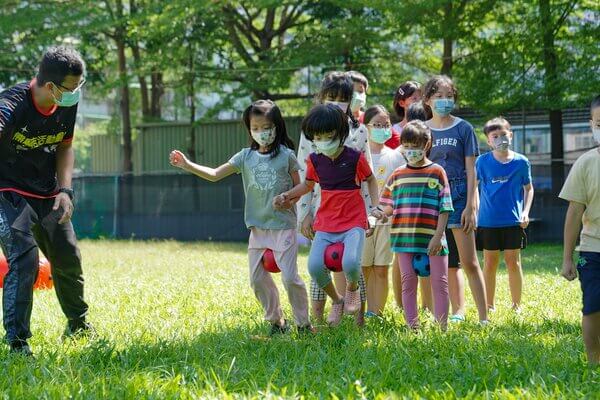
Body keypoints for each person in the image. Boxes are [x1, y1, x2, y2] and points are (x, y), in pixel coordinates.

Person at [170, 100, 312, 336]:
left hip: (282, 227)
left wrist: (287, 198)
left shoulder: (286, 156)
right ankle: (277, 322)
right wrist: (187, 165)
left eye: (265, 127)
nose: (261, 132)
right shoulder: (245, 157)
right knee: (256, 279)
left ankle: (304, 324)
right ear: (249, 129)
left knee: (289, 277)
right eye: (255, 128)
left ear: (276, 126)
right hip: (257, 229)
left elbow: (301, 188)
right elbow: (215, 174)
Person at [0, 47, 91, 356]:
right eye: (70, 88)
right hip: (8, 190)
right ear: (50, 85)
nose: (75, 94)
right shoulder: (10, 105)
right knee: (24, 259)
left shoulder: (65, 103)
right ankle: (17, 343)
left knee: (67, 257)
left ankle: (78, 324)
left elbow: (66, 146)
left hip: (48, 191)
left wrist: (66, 191)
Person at [275, 104, 383, 327]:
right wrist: (287, 195)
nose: (324, 140)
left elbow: (371, 180)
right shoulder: (315, 160)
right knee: (314, 267)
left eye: (329, 135)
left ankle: (351, 290)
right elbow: (307, 185)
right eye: (318, 136)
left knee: (351, 262)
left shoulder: (354, 158)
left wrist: (375, 206)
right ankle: (337, 300)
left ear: (342, 133)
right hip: (325, 223)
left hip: (354, 221)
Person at [296, 72, 370, 325]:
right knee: (319, 265)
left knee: (352, 263)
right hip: (321, 210)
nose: (337, 102)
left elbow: (367, 173)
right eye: (331, 97)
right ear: (322, 98)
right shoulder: (312, 130)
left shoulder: (359, 131)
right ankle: (318, 319)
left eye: (343, 98)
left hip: (352, 211)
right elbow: (302, 174)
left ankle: (359, 319)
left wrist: (370, 213)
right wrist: (305, 213)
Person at [423, 75, 489, 324]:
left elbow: (472, 170)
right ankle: (441, 314)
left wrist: (472, 205)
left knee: (470, 262)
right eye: (439, 96)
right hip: (430, 199)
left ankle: (483, 318)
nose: (444, 101)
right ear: (428, 100)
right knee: (436, 263)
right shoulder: (423, 130)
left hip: (460, 197)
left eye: (449, 96)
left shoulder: (464, 128)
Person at [380, 120, 452, 330]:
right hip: (404, 240)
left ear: (427, 144)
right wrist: (377, 216)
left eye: (416, 146)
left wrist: (438, 236)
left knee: (440, 283)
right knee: (407, 283)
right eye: (407, 147)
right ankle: (413, 326)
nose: (411, 151)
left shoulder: (437, 172)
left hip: (433, 239)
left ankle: (442, 327)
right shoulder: (398, 174)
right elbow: (387, 205)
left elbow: (445, 207)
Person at [476, 117, 534, 312]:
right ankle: (488, 305)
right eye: (495, 136)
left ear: (511, 135)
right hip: (488, 221)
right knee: (490, 263)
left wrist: (525, 212)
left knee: (513, 262)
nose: (500, 139)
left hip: (513, 221)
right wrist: (474, 211)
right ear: (488, 141)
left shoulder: (521, 162)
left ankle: (516, 306)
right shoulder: (481, 162)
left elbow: (529, 188)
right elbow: (474, 188)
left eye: (504, 135)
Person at [560, 95, 600, 366]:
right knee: (593, 307)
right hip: (593, 249)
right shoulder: (586, 163)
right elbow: (574, 212)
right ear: (592, 125)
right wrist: (567, 258)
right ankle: (594, 360)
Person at [361, 105, 404, 316]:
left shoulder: (397, 157)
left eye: (386, 125)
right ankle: (363, 309)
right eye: (377, 125)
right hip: (361, 222)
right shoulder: (359, 156)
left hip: (387, 222)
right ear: (365, 127)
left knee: (381, 268)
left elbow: (400, 191)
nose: (382, 129)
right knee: (364, 268)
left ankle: (376, 313)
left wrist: (385, 211)